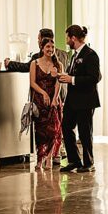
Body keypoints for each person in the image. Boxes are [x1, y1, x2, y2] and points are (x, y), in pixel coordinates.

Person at [58, 25, 101, 173]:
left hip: (85, 99)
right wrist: (64, 77)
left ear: (73, 38)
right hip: (72, 99)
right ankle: (74, 160)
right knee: (66, 127)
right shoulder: (74, 55)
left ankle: (88, 163)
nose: (66, 41)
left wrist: (72, 79)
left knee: (84, 131)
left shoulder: (90, 55)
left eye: (67, 38)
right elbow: (73, 75)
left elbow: (94, 78)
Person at [30, 37, 64, 170]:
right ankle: (40, 158)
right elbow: (32, 82)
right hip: (39, 101)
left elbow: (58, 83)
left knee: (54, 131)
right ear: (42, 48)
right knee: (40, 132)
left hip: (54, 101)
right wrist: (43, 93)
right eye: (47, 47)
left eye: (52, 47)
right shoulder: (35, 63)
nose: (50, 50)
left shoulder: (58, 64)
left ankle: (49, 158)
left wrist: (55, 97)